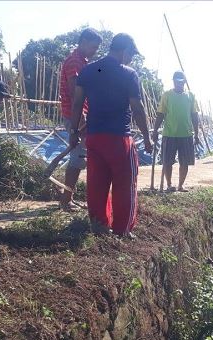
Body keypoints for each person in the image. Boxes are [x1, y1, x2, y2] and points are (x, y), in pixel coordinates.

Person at [69, 33, 152, 236]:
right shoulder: (128, 74)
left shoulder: (91, 69)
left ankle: (99, 226)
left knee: (97, 185)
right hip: (119, 139)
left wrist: (73, 131)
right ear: (125, 51)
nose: (131, 59)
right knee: (125, 185)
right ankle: (122, 230)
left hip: (95, 138)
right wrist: (147, 137)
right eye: (131, 54)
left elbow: (77, 102)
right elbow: (137, 109)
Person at [58, 28, 102, 211]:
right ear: (83, 42)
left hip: (78, 115)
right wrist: (81, 122)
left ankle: (68, 197)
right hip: (75, 116)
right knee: (78, 157)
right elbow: (76, 94)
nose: (94, 51)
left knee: (79, 156)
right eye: (93, 47)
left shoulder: (83, 62)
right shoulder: (75, 61)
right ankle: (66, 200)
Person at [153, 71, 200, 192]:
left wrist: (197, 134)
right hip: (169, 134)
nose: (179, 84)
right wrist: (155, 130)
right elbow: (160, 114)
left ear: (184, 82)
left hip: (186, 134)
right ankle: (169, 184)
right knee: (167, 161)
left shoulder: (190, 96)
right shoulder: (167, 95)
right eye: (176, 81)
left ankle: (180, 185)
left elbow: (195, 116)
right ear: (173, 81)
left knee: (185, 162)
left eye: (181, 82)